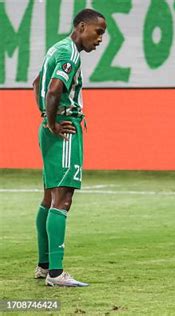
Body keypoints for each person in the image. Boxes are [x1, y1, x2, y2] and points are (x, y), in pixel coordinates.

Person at [32, 9, 106, 287]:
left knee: (49, 199)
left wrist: (45, 119)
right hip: (65, 129)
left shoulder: (56, 48)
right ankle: (56, 273)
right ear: (82, 26)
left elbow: (36, 83)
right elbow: (52, 89)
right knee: (63, 199)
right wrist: (53, 123)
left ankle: (44, 266)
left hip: (51, 128)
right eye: (98, 32)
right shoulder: (70, 54)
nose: (100, 39)